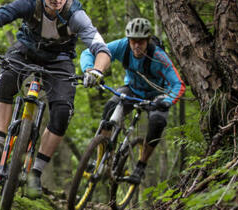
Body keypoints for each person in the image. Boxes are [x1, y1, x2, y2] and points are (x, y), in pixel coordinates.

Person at [0, 0, 111, 197]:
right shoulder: (29, 3)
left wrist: (97, 71)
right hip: (26, 50)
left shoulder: (75, 14)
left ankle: (36, 172)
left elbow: (101, 49)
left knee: (62, 111)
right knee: (7, 78)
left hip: (59, 60)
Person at [79, 17, 185, 184]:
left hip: (156, 96)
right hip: (132, 89)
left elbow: (177, 84)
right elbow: (89, 52)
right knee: (110, 108)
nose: (136, 46)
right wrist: (90, 70)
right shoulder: (122, 46)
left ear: (147, 40)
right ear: (128, 39)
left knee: (157, 121)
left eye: (141, 42)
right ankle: (101, 158)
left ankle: (141, 165)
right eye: (133, 41)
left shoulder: (158, 56)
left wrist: (167, 101)